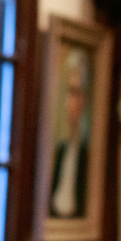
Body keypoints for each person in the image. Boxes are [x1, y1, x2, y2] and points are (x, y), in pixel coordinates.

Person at [49, 48, 90, 219]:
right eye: (68, 92)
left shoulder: (88, 156)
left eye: (75, 93)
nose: (69, 103)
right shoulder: (61, 151)